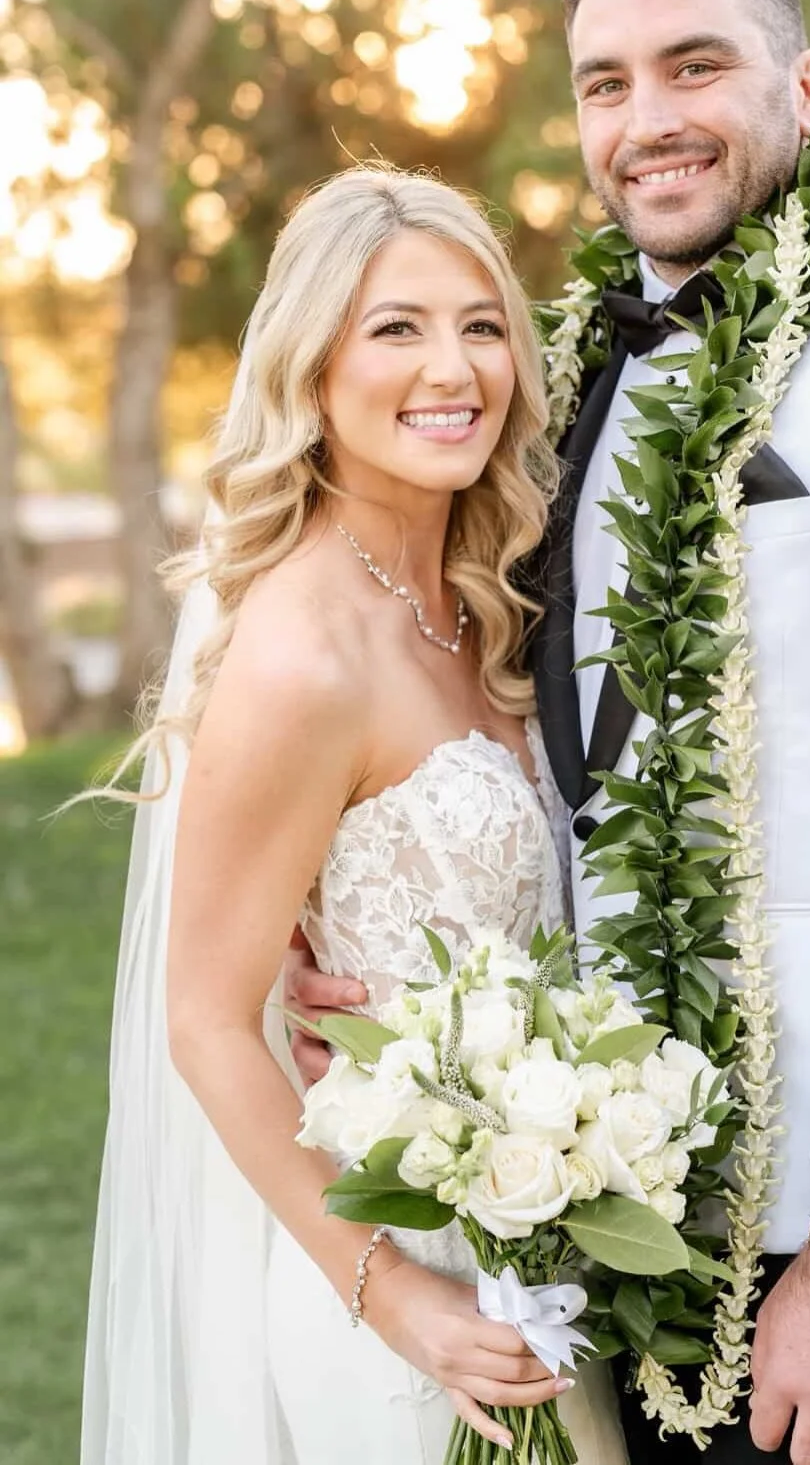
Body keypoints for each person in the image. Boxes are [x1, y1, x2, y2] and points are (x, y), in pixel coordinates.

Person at [288, 0, 810, 1465]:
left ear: (802, 87)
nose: (643, 120)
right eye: (603, 83)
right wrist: (390, 982)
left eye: (692, 65)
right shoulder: (579, 344)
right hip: (602, 1144)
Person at [80, 165, 629, 1465]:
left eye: (480, 324)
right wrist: (399, 1298)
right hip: (390, 1274)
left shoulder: (498, 596)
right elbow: (207, 1020)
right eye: (397, 327)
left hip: (541, 1245)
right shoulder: (300, 656)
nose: (454, 369)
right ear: (310, 364)